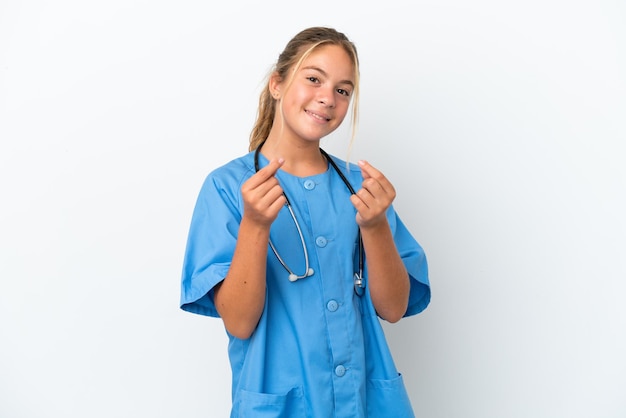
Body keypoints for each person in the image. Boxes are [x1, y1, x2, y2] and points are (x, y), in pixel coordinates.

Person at [180, 26, 430, 417]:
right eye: (314, 79)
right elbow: (240, 322)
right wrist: (256, 225)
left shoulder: (362, 188)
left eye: (343, 90)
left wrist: (376, 227)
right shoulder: (228, 188)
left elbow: (393, 308)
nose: (327, 98)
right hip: (281, 404)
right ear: (277, 84)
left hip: (366, 403)